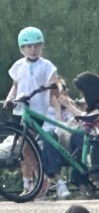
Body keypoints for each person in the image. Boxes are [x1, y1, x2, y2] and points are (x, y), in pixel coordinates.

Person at [3, 27, 66, 198]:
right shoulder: (18, 66)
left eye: (36, 46)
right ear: (22, 49)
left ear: (42, 47)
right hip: (20, 110)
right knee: (25, 150)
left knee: (26, 147)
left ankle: (41, 180)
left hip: (36, 112)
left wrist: (60, 88)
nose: (33, 50)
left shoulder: (46, 65)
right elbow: (16, 86)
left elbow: (55, 81)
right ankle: (30, 183)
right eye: (28, 47)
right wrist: (9, 99)